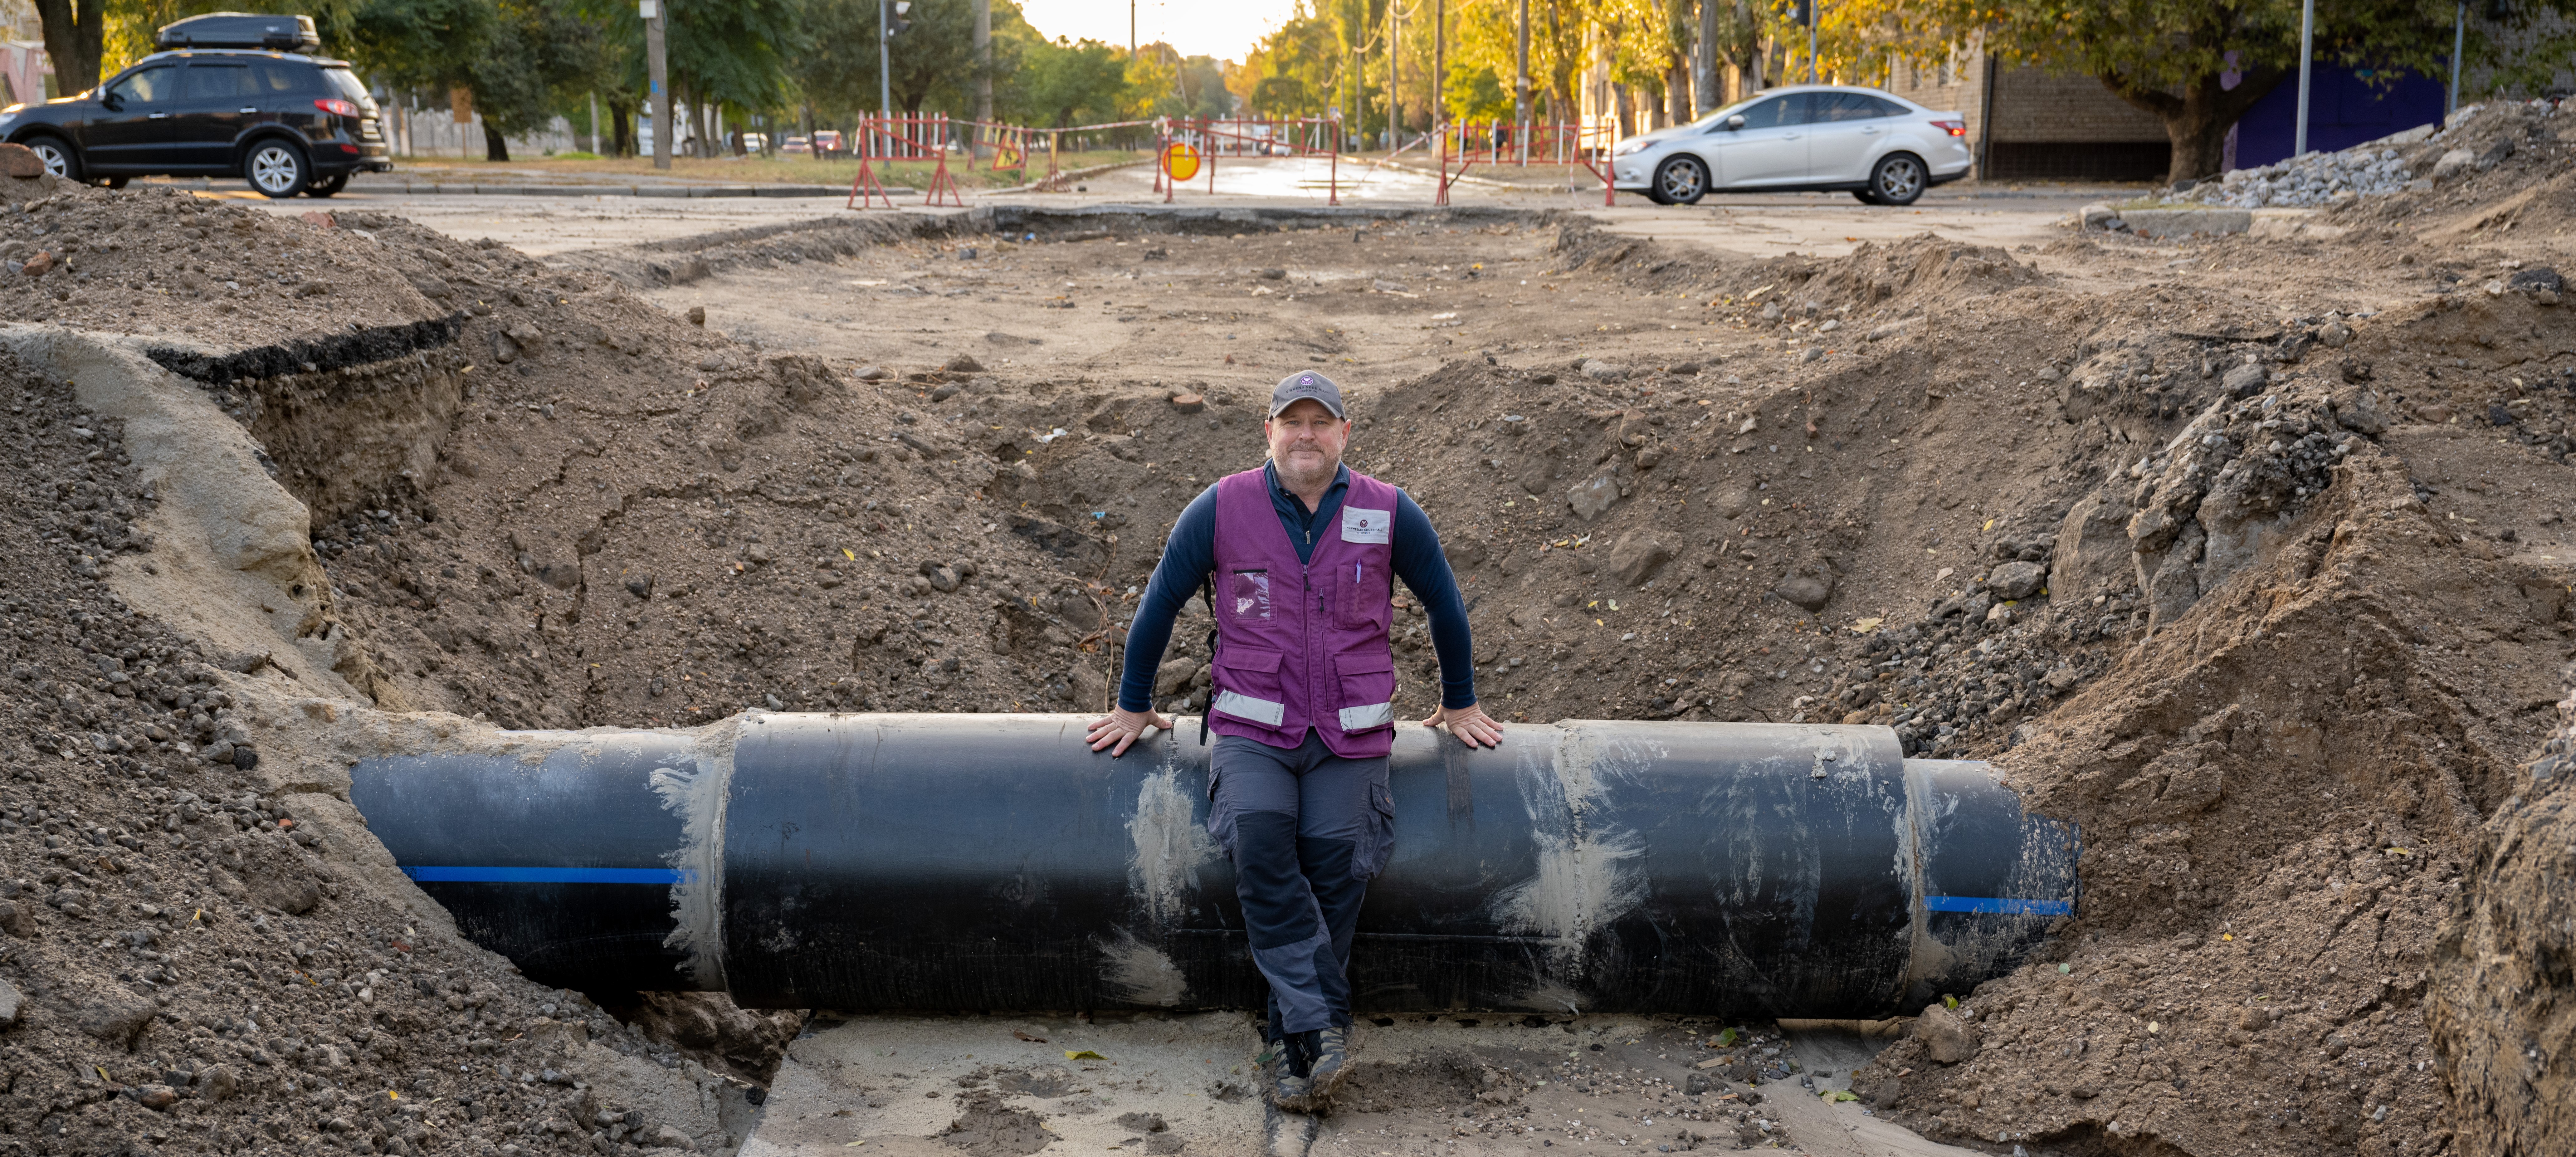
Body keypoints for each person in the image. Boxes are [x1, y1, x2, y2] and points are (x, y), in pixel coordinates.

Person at [1086, 370, 1500, 1112]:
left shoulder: (1389, 511)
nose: (1305, 435)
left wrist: (1461, 701)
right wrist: (1132, 706)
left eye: (1321, 423)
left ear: (1345, 433)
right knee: (1258, 840)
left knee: (1341, 861)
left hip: (1350, 733)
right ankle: (1320, 1026)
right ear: (1268, 431)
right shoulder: (1221, 508)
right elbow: (1159, 604)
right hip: (1255, 732)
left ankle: (1292, 1044)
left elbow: (1444, 601)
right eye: (1292, 422)